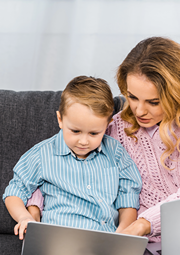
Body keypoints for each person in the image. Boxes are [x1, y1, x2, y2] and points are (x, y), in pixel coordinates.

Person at [3, 75, 142, 240]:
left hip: (101, 242)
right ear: (60, 119)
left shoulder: (115, 152)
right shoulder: (42, 154)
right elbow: (14, 192)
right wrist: (23, 217)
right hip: (56, 240)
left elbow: (128, 196)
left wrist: (123, 234)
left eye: (94, 133)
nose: (83, 141)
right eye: (75, 131)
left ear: (107, 124)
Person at [106, 36, 180, 242]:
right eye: (132, 97)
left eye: (153, 102)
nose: (139, 110)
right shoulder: (116, 126)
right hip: (136, 242)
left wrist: (143, 224)